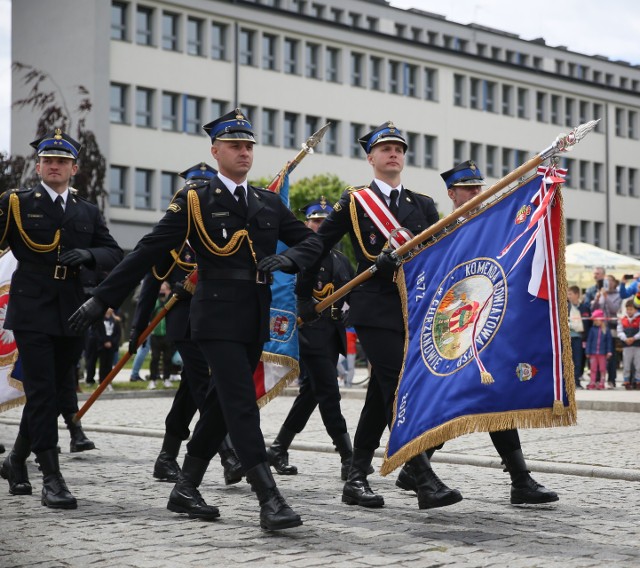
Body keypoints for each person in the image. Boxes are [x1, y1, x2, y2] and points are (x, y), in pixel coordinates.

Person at [69, 109, 323, 530]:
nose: (244, 152)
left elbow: (312, 243)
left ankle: (185, 486)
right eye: (235, 146)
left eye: (248, 146)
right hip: (215, 316)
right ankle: (269, 498)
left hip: (254, 316)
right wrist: (102, 300)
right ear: (215, 151)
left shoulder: (267, 202)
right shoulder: (195, 199)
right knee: (241, 403)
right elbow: (147, 251)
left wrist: (291, 257)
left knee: (223, 407)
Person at [298, 122, 462, 510]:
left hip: (413, 308)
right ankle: (423, 478)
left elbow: (438, 256)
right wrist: (303, 294)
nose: (393, 153)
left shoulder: (422, 205)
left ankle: (355, 479)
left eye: (398, 148)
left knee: (380, 394)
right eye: (385, 148)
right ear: (370, 158)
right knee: (396, 387)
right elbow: (317, 245)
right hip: (373, 307)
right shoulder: (355, 201)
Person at [394, 160, 558, 505]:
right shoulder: (440, 232)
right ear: (452, 194)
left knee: (490, 396)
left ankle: (519, 479)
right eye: (467, 188)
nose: (476, 193)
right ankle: (417, 466)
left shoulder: (492, 226)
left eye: (478, 187)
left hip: (486, 325)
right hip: (454, 329)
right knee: (457, 397)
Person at [0, 128, 122, 507]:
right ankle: (52, 478)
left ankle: (16, 460)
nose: (55, 166)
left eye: (62, 162)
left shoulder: (86, 210)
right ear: (38, 166)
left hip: (73, 309)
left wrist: (89, 257)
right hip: (32, 308)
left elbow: (113, 253)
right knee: (41, 390)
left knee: (51, 393)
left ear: (74, 168)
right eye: (49, 161)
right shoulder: (16, 203)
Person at [130, 162, 243, 486]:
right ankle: (228, 455)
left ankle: (166, 458)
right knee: (207, 387)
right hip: (183, 320)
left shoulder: (222, 227)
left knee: (191, 393)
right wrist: (138, 328)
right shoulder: (174, 233)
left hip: (216, 318)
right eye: (193, 189)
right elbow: (151, 281)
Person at [267, 196, 355, 480]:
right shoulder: (298, 255)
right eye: (315, 221)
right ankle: (348, 457)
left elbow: (352, 295)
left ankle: (278, 448)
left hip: (331, 336)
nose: (319, 226)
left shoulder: (341, 259)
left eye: (324, 222)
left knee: (311, 395)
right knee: (329, 393)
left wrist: (347, 312)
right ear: (306, 224)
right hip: (307, 334)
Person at [592, 275, 622, 388]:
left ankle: (611, 380)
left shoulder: (618, 295)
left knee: (611, 355)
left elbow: (614, 309)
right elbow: (593, 310)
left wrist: (606, 297)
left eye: (610, 280)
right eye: (606, 281)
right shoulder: (600, 293)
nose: (608, 283)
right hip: (600, 327)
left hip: (611, 327)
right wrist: (597, 298)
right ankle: (598, 380)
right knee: (599, 354)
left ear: (614, 282)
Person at [147, 280, 178, 390]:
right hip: (155, 335)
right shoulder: (155, 302)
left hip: (168, 334)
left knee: (167, 358)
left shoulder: (171, 301)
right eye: (160, 290)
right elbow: (149, 316)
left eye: (164, 290)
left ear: (169, 290)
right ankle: (153, 380)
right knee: (155, 358)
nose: (162, 292)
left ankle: (166, 379)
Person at [617, 299, 640, 389]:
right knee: (626, 364)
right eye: (627, 309)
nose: (629, 311)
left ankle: (638, 381)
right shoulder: (623, 319)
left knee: (638, 365)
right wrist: (625, 338)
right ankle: (626, 381)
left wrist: (634, 338)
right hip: (627, 346)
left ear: (635, 310)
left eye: (631, 309)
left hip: (637, 345)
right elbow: (619, 331)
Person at [567, 285, 589, 389]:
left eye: (570, 294)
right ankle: (568, 382)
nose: (568, 296)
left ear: (577, 294)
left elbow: (587, 324)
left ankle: (577, 381)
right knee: (568, 360)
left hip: (580, 338)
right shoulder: (565, 307)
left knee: (578, 360)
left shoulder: (584, 307)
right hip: (568, 338)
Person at [585, 309, 613, 390]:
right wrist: (588, 351)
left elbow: (609, 342)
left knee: (602, 369)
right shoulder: (592, 330)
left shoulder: (606, 330)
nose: (596, 321)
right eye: (595, 319)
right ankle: (592, 382)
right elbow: (589, 341)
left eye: (597, 319)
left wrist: (609, 351)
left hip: (602, 353)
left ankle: (602, 382)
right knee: (593, 369)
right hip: (593, 353)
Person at [93, 308, 121, 387]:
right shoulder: (100, 320)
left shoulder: (115, 321)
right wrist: (104, 341)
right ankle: (101, 381)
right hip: (102, 345)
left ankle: (109, 382)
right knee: (102, 364)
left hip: (112, 345)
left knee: (109, 364)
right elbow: (97, 332)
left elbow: (118, 334)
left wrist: (112, 342)